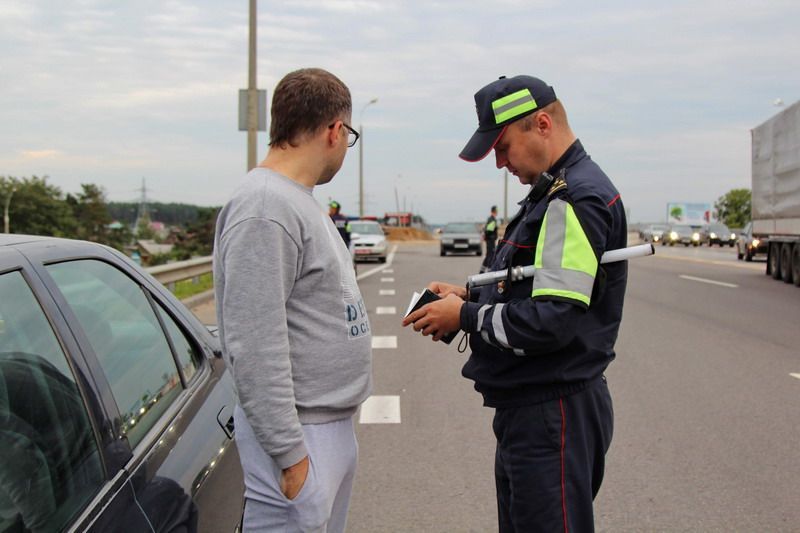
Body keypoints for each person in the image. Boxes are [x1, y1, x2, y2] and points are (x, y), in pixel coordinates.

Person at [402, 75, 628, 532]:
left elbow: (553, 321)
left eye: (503, 148)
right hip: (537, 412)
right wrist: (468, 294)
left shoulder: (573, 199)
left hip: (552, 413)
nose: (500, 163)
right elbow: (532, 285)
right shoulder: (552, 193)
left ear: (541, 124)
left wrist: (464, 316)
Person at [213, 68, 372, 532]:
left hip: (323, 429)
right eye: (349, 135)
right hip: (300, 440)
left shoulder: (296, 200)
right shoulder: (265, 207)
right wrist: (290, 457)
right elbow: (254, 343)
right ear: (334, 131)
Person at [480, 205, 499, 272]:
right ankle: (489, 271)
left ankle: (482, 271)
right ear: (494, 211)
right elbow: (489, 230)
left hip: (489, 239)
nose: (497, 212)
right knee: (490, 255)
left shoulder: (490, 219)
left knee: (488, 255)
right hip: (490, 240)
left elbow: (487, 230)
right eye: (497, 211)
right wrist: (488, 236)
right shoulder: (492, 220)